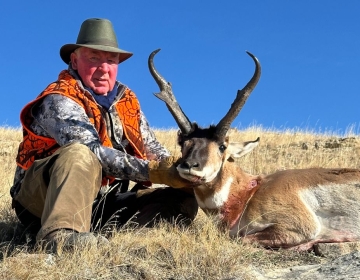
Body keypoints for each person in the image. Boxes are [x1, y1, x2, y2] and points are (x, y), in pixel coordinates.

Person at [10, 18, 198, 253]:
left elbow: (150, 147)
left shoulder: (126, 100)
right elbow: (94, 152)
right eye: (94, 59)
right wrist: (154, 171)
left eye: (111, 60)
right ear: (75, 61)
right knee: (80, 153)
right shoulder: (59, 98)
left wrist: (179, 171)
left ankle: (128, 240)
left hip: (101, 203)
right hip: (42, 200)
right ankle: (59, 235)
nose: (103, 68)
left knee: (179, 198)